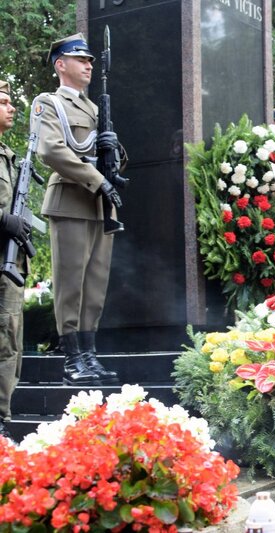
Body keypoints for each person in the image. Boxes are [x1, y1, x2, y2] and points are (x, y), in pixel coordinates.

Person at [36, 33, 122, 386]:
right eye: (81, 59)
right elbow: (51, 150)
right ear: (61, 65)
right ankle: (72, 359)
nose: (89, 65)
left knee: (95, 287)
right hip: (71, 201)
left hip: (100, 206)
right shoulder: (49, 103)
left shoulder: (95, 109)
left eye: (89, 60)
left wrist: (114, 151)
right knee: (71, 285)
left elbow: (113, 161)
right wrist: (97, 179)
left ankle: (89, 355)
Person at [0, 80, 28, 441]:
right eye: (4, 102)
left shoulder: (7, 154)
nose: (11, 107)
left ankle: (3, 418)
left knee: (11, 342)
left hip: (10, 264)